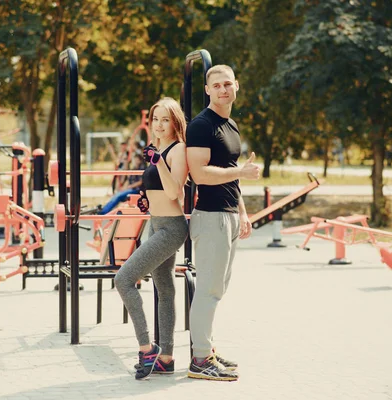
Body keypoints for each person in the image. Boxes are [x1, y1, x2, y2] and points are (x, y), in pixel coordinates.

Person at [185, 65, 261, 381]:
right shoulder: (202, 125)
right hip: (211, 217)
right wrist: (241, 173)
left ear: (236, 87)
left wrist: (242, 212)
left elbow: (229, 171)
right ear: (207, 90)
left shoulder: (230, 125)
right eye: (216, 85)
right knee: (208, 290)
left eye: (227, 84)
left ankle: (207, 351)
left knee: (218, 289)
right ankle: (200, 360)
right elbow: (199, 174)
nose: (222, 90)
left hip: (228, 215)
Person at [114, 97, 189, 380]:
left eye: (165, 119)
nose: (158, 124)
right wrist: (147, 200)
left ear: (174, 122)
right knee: (165, 291)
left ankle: (146, 348)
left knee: (123, 279)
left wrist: (158, 162)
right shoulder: (158, 148)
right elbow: (159, 192)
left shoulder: (178, 149)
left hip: (171, 228)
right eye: (155, 119)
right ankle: (166, 358)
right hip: (156, 223)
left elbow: (174, 193)